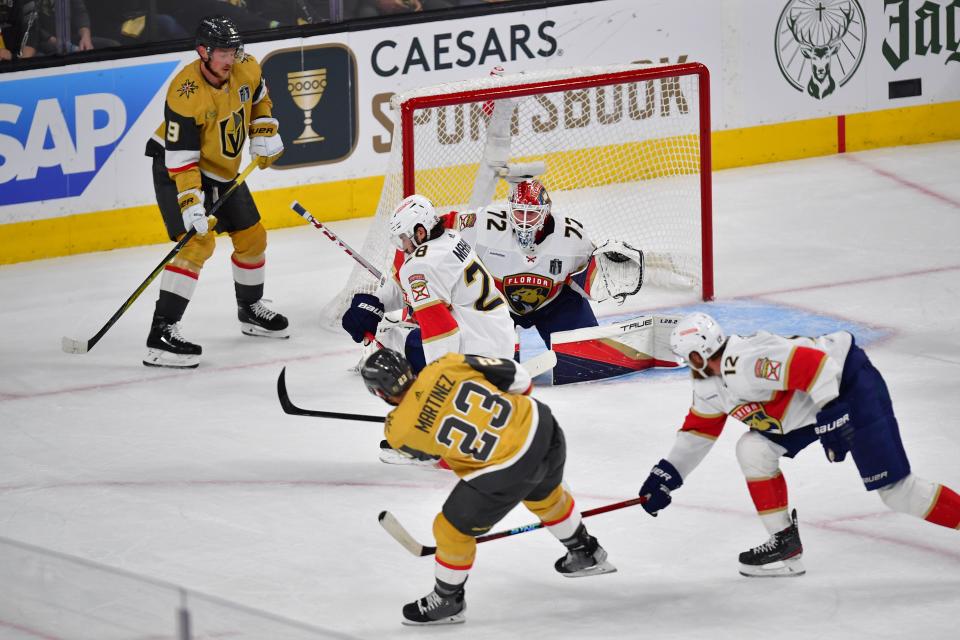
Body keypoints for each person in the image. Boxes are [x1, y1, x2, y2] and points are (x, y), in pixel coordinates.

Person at [638, 312, 960, 577]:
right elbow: (699, 433)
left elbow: (818, 366)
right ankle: (784, 543)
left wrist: (833, 413)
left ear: (698, 354)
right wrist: (667, 475)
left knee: (897, 492)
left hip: (848, 385)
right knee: (753, 450)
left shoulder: (746, 363)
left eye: (687, 358)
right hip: (808, 407)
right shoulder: (708, 382)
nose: (687, 366)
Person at [360, 348, 615, 625]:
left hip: (507, 469)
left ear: (380, 393)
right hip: (543, 427)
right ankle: (585, 551)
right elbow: (518, 378)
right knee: (546, 497)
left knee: (450, 530)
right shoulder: (446, 363)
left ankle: (448, 600)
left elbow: (433, 456)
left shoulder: (397, 431)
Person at [142, 15, 287, 369]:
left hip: (222, 170)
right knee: (196, 244)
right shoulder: (184, 92)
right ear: (203, 52)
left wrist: (264, 129)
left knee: (253, 237)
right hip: (177, 168)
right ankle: (161, 333)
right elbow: (181, 160)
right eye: (223, 52)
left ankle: (250, 310)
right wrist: (191, 202)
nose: (231, 58)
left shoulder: (247, 67)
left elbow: (260, 99)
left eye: (234, 50)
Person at [453, 179, 645, 352]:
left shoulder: (572, 237)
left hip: (554, 304)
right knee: (491, 364)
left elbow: (586, 279)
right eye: (520, 212)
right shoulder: (484, 223)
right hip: (496, 305)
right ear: (509, 208)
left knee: (585, 353)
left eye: (533, 213)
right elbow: (444, 228)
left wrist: (604, 277)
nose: (526, 221)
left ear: (546, 212)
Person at [342, 194, 516, 373]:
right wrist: (375, 302)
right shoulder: (451, 237)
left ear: (420, 232)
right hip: (500, 339)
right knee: (410, 334)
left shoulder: (419, 265)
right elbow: (408, 285)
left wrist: (440, 379)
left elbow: (441, 332)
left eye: (403, 238)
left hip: (476, 355)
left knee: (391, 340)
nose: (403, 245)